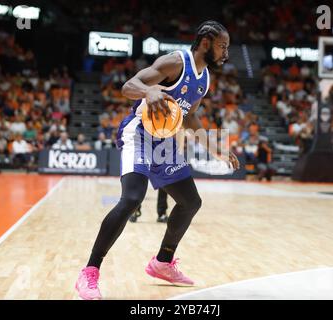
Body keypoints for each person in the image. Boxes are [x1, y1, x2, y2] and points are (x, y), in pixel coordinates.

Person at [75, 21, 239, 300]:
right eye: (223, 46)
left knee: (191, 202)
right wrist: (148, 91)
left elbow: (188, 117)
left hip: (164, 142)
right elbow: (129, 86)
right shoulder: (175, 62)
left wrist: (216, 149)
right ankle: (89, 272)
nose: (226, 53)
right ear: (206, 42)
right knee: (131, 199)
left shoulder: (205, 79)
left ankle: (162, 262)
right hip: (138, 134)